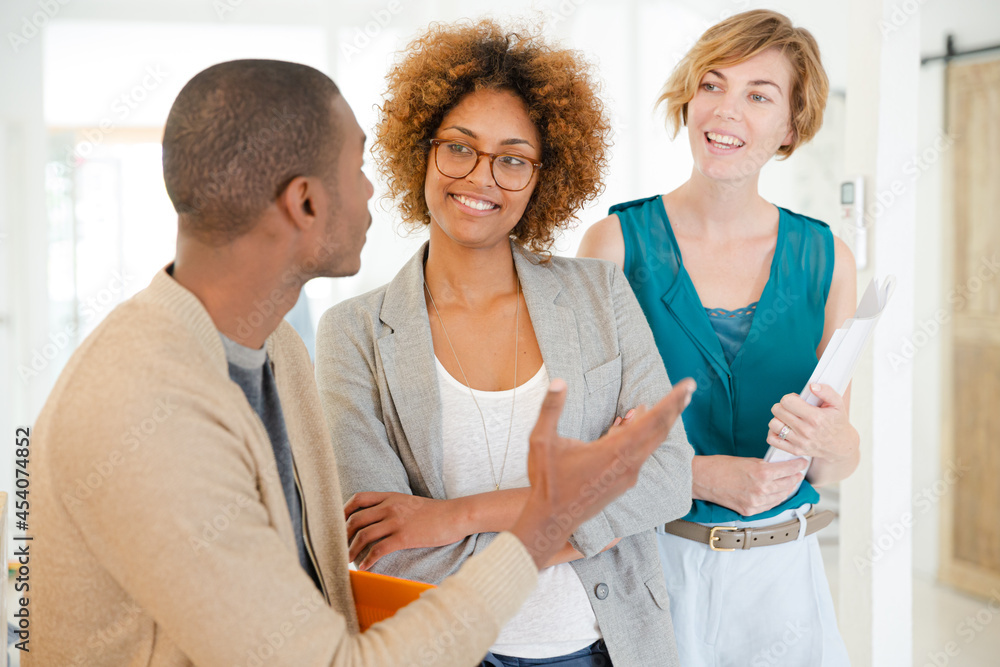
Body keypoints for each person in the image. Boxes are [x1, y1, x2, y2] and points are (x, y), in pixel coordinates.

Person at [25, 58, 695, 667]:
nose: (375, 189)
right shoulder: (146, 406)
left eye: (511, 159)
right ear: (307, 201)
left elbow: (322, 575)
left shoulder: (277, 350)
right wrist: (544, 522)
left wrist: (484, 516)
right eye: (358, 169)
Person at [315, 20, 694, 667]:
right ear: (423, 151)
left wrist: (453, 515)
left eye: (513, 158)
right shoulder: (353, 332)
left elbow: (667, 479)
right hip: (449, 648)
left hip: (607, 645)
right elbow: (388, 543)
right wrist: (587, 516)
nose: (482, 177)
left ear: (544, 176)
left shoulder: (600, 295)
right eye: (458, 147)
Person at [578, 9, 856, 666]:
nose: (724, 109)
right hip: (651, 564)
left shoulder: (826, 258)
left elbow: (836, 458)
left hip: (784, 578)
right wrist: (699, 473)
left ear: (790, 125)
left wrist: (834, 443)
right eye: (711, 84)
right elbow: (580, 450)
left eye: (758, 94)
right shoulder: (615, 245)